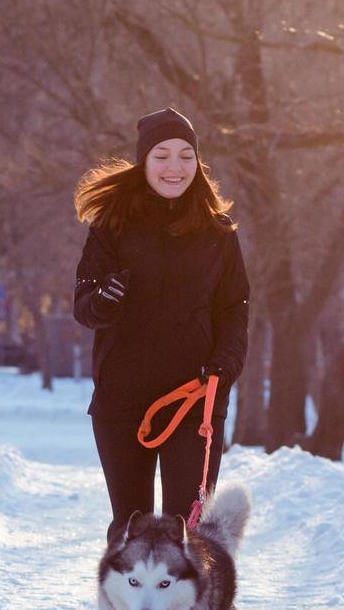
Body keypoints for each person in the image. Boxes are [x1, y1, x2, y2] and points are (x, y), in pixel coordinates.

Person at [72, 107, 249, 543]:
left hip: (194, 399)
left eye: (186, 155)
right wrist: (104, 300)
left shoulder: (218, 232)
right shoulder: (111, 227)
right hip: (122, 399)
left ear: (199, 163)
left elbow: (234, 308)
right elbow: (83, 307)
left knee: (186, 532)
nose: (175, 167)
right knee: (130, 529)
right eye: (162, 155)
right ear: (143, 163)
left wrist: (224, 366)